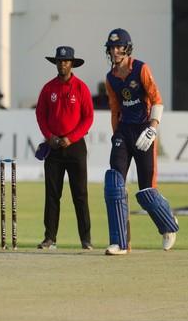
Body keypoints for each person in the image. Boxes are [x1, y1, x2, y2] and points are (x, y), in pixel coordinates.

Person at [102, 28, 179, 255]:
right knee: (114, 183)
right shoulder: (110, 78)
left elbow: (157, 99)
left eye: (119, 47)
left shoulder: (141, 68)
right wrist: (116, 134)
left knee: (146, 191)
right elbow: (115, 109)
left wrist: (153, 128)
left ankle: (168, 226)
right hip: (124, 132)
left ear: (127, 48)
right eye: (112, 47)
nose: (115, 51)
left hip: (144, 129)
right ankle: (119, 243)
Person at [35, 46, 94, 250]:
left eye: (66, 61)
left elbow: (88, 118)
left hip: (75, 147)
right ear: (56, 63)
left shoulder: (81, 88)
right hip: (54, 147)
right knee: (52, 194)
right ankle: (50, 238)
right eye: (60, 61)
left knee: (80, 194)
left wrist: (72, 137)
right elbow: (41, 115)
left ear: (72, 63)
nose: (62, 64)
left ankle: (86, 239)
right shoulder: (48, 88)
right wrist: (49, 136)